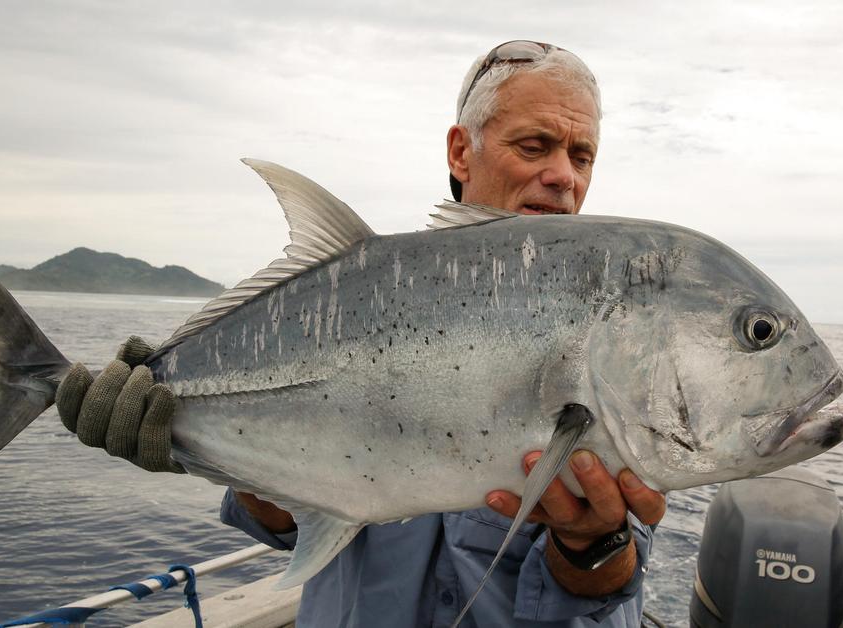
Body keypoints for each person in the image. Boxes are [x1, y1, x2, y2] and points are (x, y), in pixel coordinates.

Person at [55, 41, 666, 627]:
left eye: (581, 156)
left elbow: (607, 582)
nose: (563, 175)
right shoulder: (360, 292)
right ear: (461, 152)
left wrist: (593, 542)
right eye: (535, 146)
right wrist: (179, 436)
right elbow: (284, 515)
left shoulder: (607, 314)